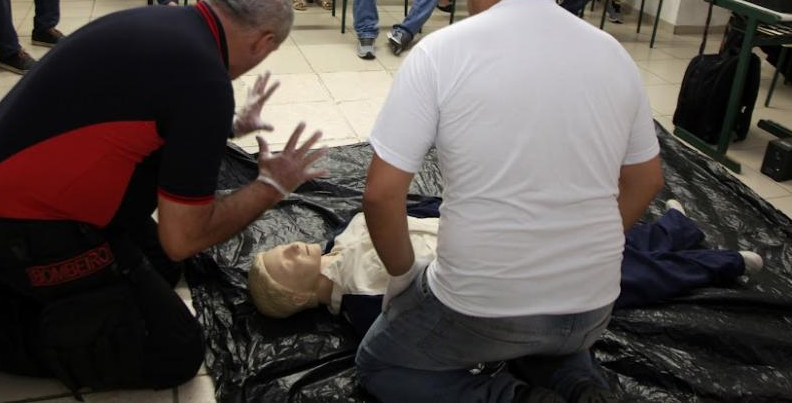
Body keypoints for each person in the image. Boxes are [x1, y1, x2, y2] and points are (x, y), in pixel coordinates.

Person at [0, 0, 327, 394]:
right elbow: (184, 237)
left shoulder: (171, 24)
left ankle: (9, 283)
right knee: (175, 350)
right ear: (264, 42)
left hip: (3, 197)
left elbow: (152, 117)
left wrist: (227, 127)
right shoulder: (205, 81)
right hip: (19, 226)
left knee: (161, 264)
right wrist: (272, 183)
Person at [352, 0, 665, 402]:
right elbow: (647, 181)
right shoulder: (611, 53)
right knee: (540, 331)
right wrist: (589, 244)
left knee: (380, 363)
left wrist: (406, 276)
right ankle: (577, 382)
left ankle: (512, 397)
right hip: (591, 310)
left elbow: (380, 195)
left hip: (480, 307)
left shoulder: (441, 53)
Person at [248, 201, 762, 331]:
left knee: (594, 236)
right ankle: (722, 263)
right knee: (621, 276)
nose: (292, 246)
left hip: (490, 229)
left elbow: (419, 210)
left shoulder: (345, 231)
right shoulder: (362, 305)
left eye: (282, 245)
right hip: (501, 272)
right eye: (285, 260)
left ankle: (676, 230)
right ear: (297, 297)